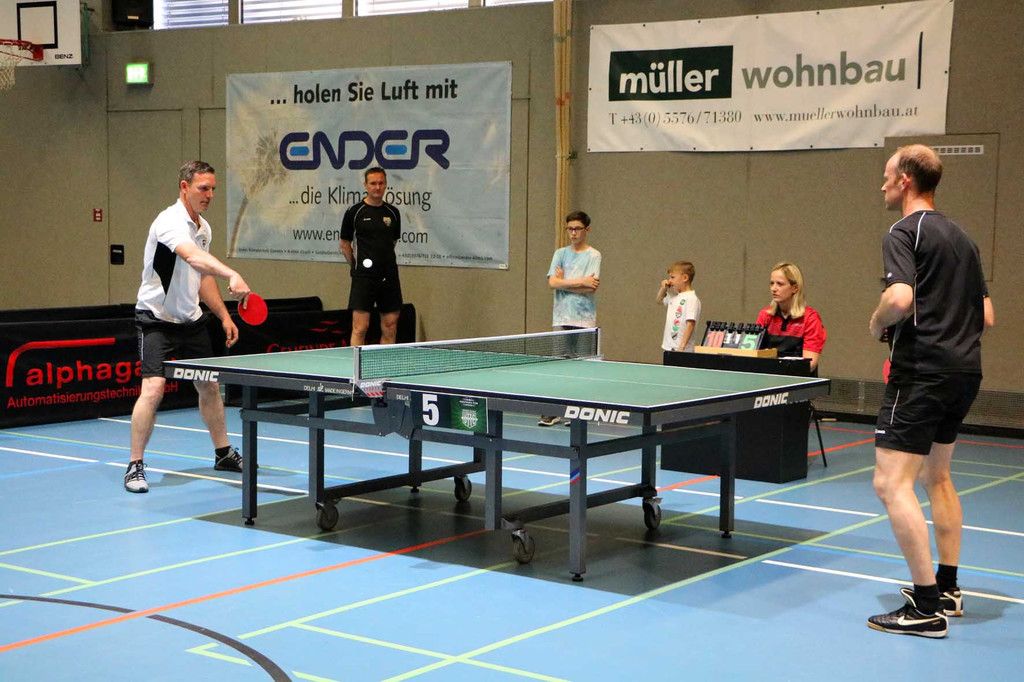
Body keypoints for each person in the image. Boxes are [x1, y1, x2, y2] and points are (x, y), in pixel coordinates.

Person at [866, 144, 995, 638]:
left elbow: (899, 298)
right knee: (936, 477)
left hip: (921, 372)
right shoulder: (963, 238)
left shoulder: (903, 231)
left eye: (887, 176)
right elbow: (986, 315)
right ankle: (948, 588)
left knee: (890, 483)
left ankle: (924, 608)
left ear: (905, 181)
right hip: (965, 372)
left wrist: (877, 322)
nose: (881, 185)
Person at [126, 161, 252, 493]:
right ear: (185, 187)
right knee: (153, 389)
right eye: (203, 188)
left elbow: (201, 276)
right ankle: (135, 464)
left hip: (191, 320)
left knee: (209, 386)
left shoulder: (203, 228)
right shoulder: (168, 222)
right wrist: (232, 273)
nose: (209, 195)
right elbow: (192, 257)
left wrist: (224, 316)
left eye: (213, 189)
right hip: (157, 319)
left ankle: (223, 453)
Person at [538, 210, 601, 426]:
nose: (573, 233)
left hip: (584, 319)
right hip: (561, 317)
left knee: (582, 367)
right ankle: (553, 411)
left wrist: (563, 282)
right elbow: (552, 283)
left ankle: (577, 412)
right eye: (570, 229)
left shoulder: (594, 255)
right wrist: (579, 281)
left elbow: (591, 288)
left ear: (587, 230)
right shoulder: (560, 254)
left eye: (577, 229)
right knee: (558, 367)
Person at [339, 167, 402, 346]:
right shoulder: (354, 212)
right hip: (364, 277)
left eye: (381, 183)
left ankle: (385, 362)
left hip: (389, 276)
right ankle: (356, 364)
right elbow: (345, 244)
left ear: (386, 185)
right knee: (360, 327)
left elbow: (392, 241)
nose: (377, 187)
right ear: (365, 185)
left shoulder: (393, 213)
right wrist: (355, 266)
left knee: (390, 325)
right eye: (373, 183)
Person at [755, 262, 827, 373]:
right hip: (769, 377)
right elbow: (755, 354)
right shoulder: (765, 315)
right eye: (772, 283)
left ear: (795, 288)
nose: (774, 288)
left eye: (780, 284)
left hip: (799, 379)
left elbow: (810, 365)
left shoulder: (810, 319)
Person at [657, 261, 701, 352]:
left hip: (682, 350)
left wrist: (682, 347)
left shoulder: (691, 298)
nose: (669, 281)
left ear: (685, 278)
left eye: (672, 277)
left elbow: (690, 324)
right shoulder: (674, 298)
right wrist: (663, 288)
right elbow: (659, 300)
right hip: (669, 348)